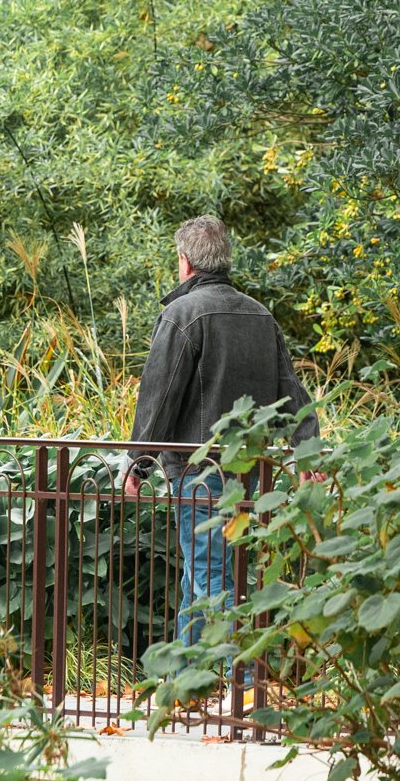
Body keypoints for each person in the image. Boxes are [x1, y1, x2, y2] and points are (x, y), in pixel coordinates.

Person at [124, 214, 318, 645]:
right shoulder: (260, 315)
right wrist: (306, 451)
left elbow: (159, 397)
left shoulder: (182, 314)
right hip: (249, 471)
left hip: (199, 472)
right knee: (205, 573)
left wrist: (136, 465)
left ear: (186, 264)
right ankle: (185, 685)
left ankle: (242, 687)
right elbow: (291, 391)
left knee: (210, 577)